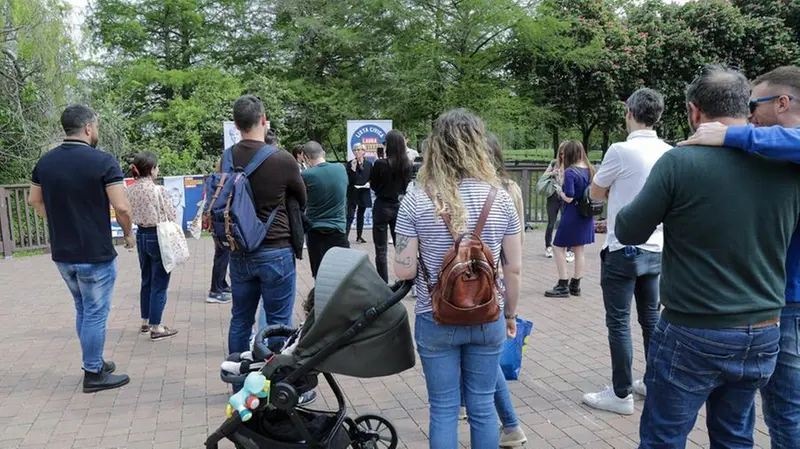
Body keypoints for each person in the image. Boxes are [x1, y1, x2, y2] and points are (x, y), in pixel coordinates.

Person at [617, 64, 800, 448]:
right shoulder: (787, 166)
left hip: (692, 327)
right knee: (735, 436)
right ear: (744, 107)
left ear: (694, 111)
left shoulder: (680, 162)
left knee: (664, 437)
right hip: (763, 328)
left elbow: (629, 230)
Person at [676, 65, 800, 449]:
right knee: (747, 409)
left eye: (754, 105)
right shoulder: (772, 151)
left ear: (782, 103)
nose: (749, 115)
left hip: (787, 302)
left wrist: (732, 134)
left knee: (785, 410)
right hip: (769, 300)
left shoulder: (775, 145)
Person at [393, 109, 523, 449]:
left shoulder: (416, 198)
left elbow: (404, 271)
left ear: (436, 147)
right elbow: (514, 268)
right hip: (488, 315)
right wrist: (510, 315)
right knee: (482, 406)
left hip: (435, 316)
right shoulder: (501, 198)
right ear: (479, 146)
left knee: (443, 408)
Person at [27, 104, 132, 392]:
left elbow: (34, 200)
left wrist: (58, 222)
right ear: (88, 128)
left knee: (83, 309)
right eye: (96, 126)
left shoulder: (45, 162)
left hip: (63, 253)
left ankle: (94, 361)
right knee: (95, 312)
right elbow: (121, 206)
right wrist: (128, 234)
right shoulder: (103, 161)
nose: (96, 131)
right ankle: (93, 374)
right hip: (95, 252)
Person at [581, 88, 671, 415]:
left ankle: (621, 394)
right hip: (658, 248)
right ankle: (652, 382)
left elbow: (595, 192)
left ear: (629, 113)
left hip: (623, 248)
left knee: (619, 322)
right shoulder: (669, 152)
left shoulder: (620, 150)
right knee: (651, 320)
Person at [221, 95, 307, 358]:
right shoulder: (283, 159)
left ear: (236, 125)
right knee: (278, 321)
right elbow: (302, 199)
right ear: (263, 120)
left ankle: (237, 371)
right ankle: (273, 374)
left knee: (240, 317)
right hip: (276, 249)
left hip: (240, 250)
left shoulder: (226, 158)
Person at [126, 152, 180, 341]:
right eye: (156, 167)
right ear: (151, 169)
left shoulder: (130, 190)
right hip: (158, 236)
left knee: (146, 279)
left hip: (141, 234)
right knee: (160, 282)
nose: (158, 170)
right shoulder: (158, 190)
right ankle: (157, 327)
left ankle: (145, 321)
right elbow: (171, 214)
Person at [544, 141, 594, 298]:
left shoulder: (571, 171)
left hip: (572, 213)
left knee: (558, 247)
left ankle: (563, 284)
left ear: (570, 153)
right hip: (586, 214)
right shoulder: (590, 169)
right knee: (579, 250)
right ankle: (576, 285)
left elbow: (570, 197)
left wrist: (560, 192)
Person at [301, 140, 350, 277]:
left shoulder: (306, 175)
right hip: (339, 230)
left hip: (315, 231)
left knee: (320, 276)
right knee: (342, 275)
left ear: (306, 158)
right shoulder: (341, 168)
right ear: (323, 153)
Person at [370, 130, 412, 282]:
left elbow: (373, 185)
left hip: (382, 206)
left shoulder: (380, 164)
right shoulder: (408, 164)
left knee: (381, 249)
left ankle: (383, 281)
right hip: (399, 206)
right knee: (400, 247)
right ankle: (404, 280)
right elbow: (407, 186)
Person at [346, 144, 372, 244]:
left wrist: (369, 183)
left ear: (364, 151)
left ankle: (359, 236)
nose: (356, 152)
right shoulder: (350, 164)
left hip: (364, 192)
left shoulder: (369, 164)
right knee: (350, 216)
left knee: (361, 215)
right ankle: (345, 237)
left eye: (359, 150)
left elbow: (371, 177)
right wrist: (353, 169)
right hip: (353, 192)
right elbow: (349, 179)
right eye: (355, 150)